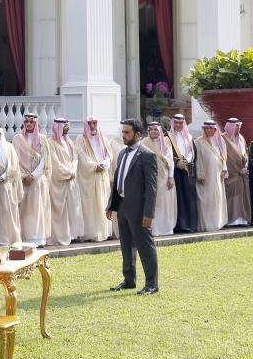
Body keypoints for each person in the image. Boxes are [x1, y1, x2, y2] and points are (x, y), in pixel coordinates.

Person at [106, 119, 159, 295]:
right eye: (123, 132)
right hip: (122, 206)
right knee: (126, 245)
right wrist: (110, 205)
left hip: (139, 209)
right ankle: (129, 280)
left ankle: (152, 284)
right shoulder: (122, 153)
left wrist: (148, 213)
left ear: (138, 134)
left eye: (127, 132)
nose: (123, 135)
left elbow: (151, 188)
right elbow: (118, 179)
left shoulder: (147, 156)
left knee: (145, 246)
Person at [12, 113, 51, 247]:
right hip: (22, 181)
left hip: (37, 180)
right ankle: (23, 238)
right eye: (26, 121)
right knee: (23, 209)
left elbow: (44, 160)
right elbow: (14, 160)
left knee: (37, 209)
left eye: (31, 122)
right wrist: (23, 176)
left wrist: (33, 175)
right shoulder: (17, 138)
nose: (29, 124)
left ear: (36, 123)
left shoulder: (42, 139)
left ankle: (38, 238)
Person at [75, 116, 113, 242]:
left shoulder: (104, 138)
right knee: (90, 205)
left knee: (103, 203)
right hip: (89, 178)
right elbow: (81, 155)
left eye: (94, 123)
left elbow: (109, 155)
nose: (92, 126)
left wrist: (104, 165)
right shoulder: (81, 139)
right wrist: (94, 166)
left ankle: (103, 232)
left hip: (102, 175)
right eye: (90, 123)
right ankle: (90, 233)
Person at [48, 119, 83, 245]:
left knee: (72, 207)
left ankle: (73, 234)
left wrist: (73, 170)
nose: (67, 127)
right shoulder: (50, 143)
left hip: (71, 180)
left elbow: (75, 158)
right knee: (60, 210)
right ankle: (60, 236)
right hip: (59, 182)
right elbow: (54, 162)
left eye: (67, 125)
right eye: (64, 125)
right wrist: (68, 173)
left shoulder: (69, 142)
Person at [141, 122, 177, 237]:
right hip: (151, 178)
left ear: (160, 131)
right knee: (154, 204)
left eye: (155, 130)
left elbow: (170, 161)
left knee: (166, 204)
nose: (153, 132)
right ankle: (155, 229)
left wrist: (171, 177)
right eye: (151, 130)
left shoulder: (166, 143)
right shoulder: (144, 143)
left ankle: (166, 229)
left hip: (166, 178)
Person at [168, 114, 200, 233]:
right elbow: (167, 153)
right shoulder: (168, 137)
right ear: (172, 123)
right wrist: (177, 163)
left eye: (180, 123)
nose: (178, 125)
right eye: (176, 123)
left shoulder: (189, 137)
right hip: (175, 172)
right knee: (178, 198)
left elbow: (192, 152)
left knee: (189, 197)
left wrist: (186, 161)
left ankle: (190, 225)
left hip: (188, 171)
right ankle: (179, 226)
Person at [195, 121, 228, 232]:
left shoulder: (220, 141)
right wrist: (200, 175)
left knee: (217, 199)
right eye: (206, 128)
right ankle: (207, 225)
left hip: (218, 176)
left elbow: (223, 156)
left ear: (215, 130)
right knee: (206, 200)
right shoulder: (198, 142)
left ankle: (216, 223)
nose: (208, 130)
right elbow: (198, 159)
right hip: (206, 176)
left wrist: (224, 169)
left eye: (211, 128)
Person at [222, 118, 252, 227]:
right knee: (232, 198)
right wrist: (236, 170)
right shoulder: (223, 139)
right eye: (236, 126)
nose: (238, 128)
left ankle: (243, 219)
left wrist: (245, 167)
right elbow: (223, 158)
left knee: (243, 196)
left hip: (243, 174)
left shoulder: (241, 138)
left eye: (239, 126)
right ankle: (231, 221)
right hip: (231, 174)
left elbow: (246, 155)